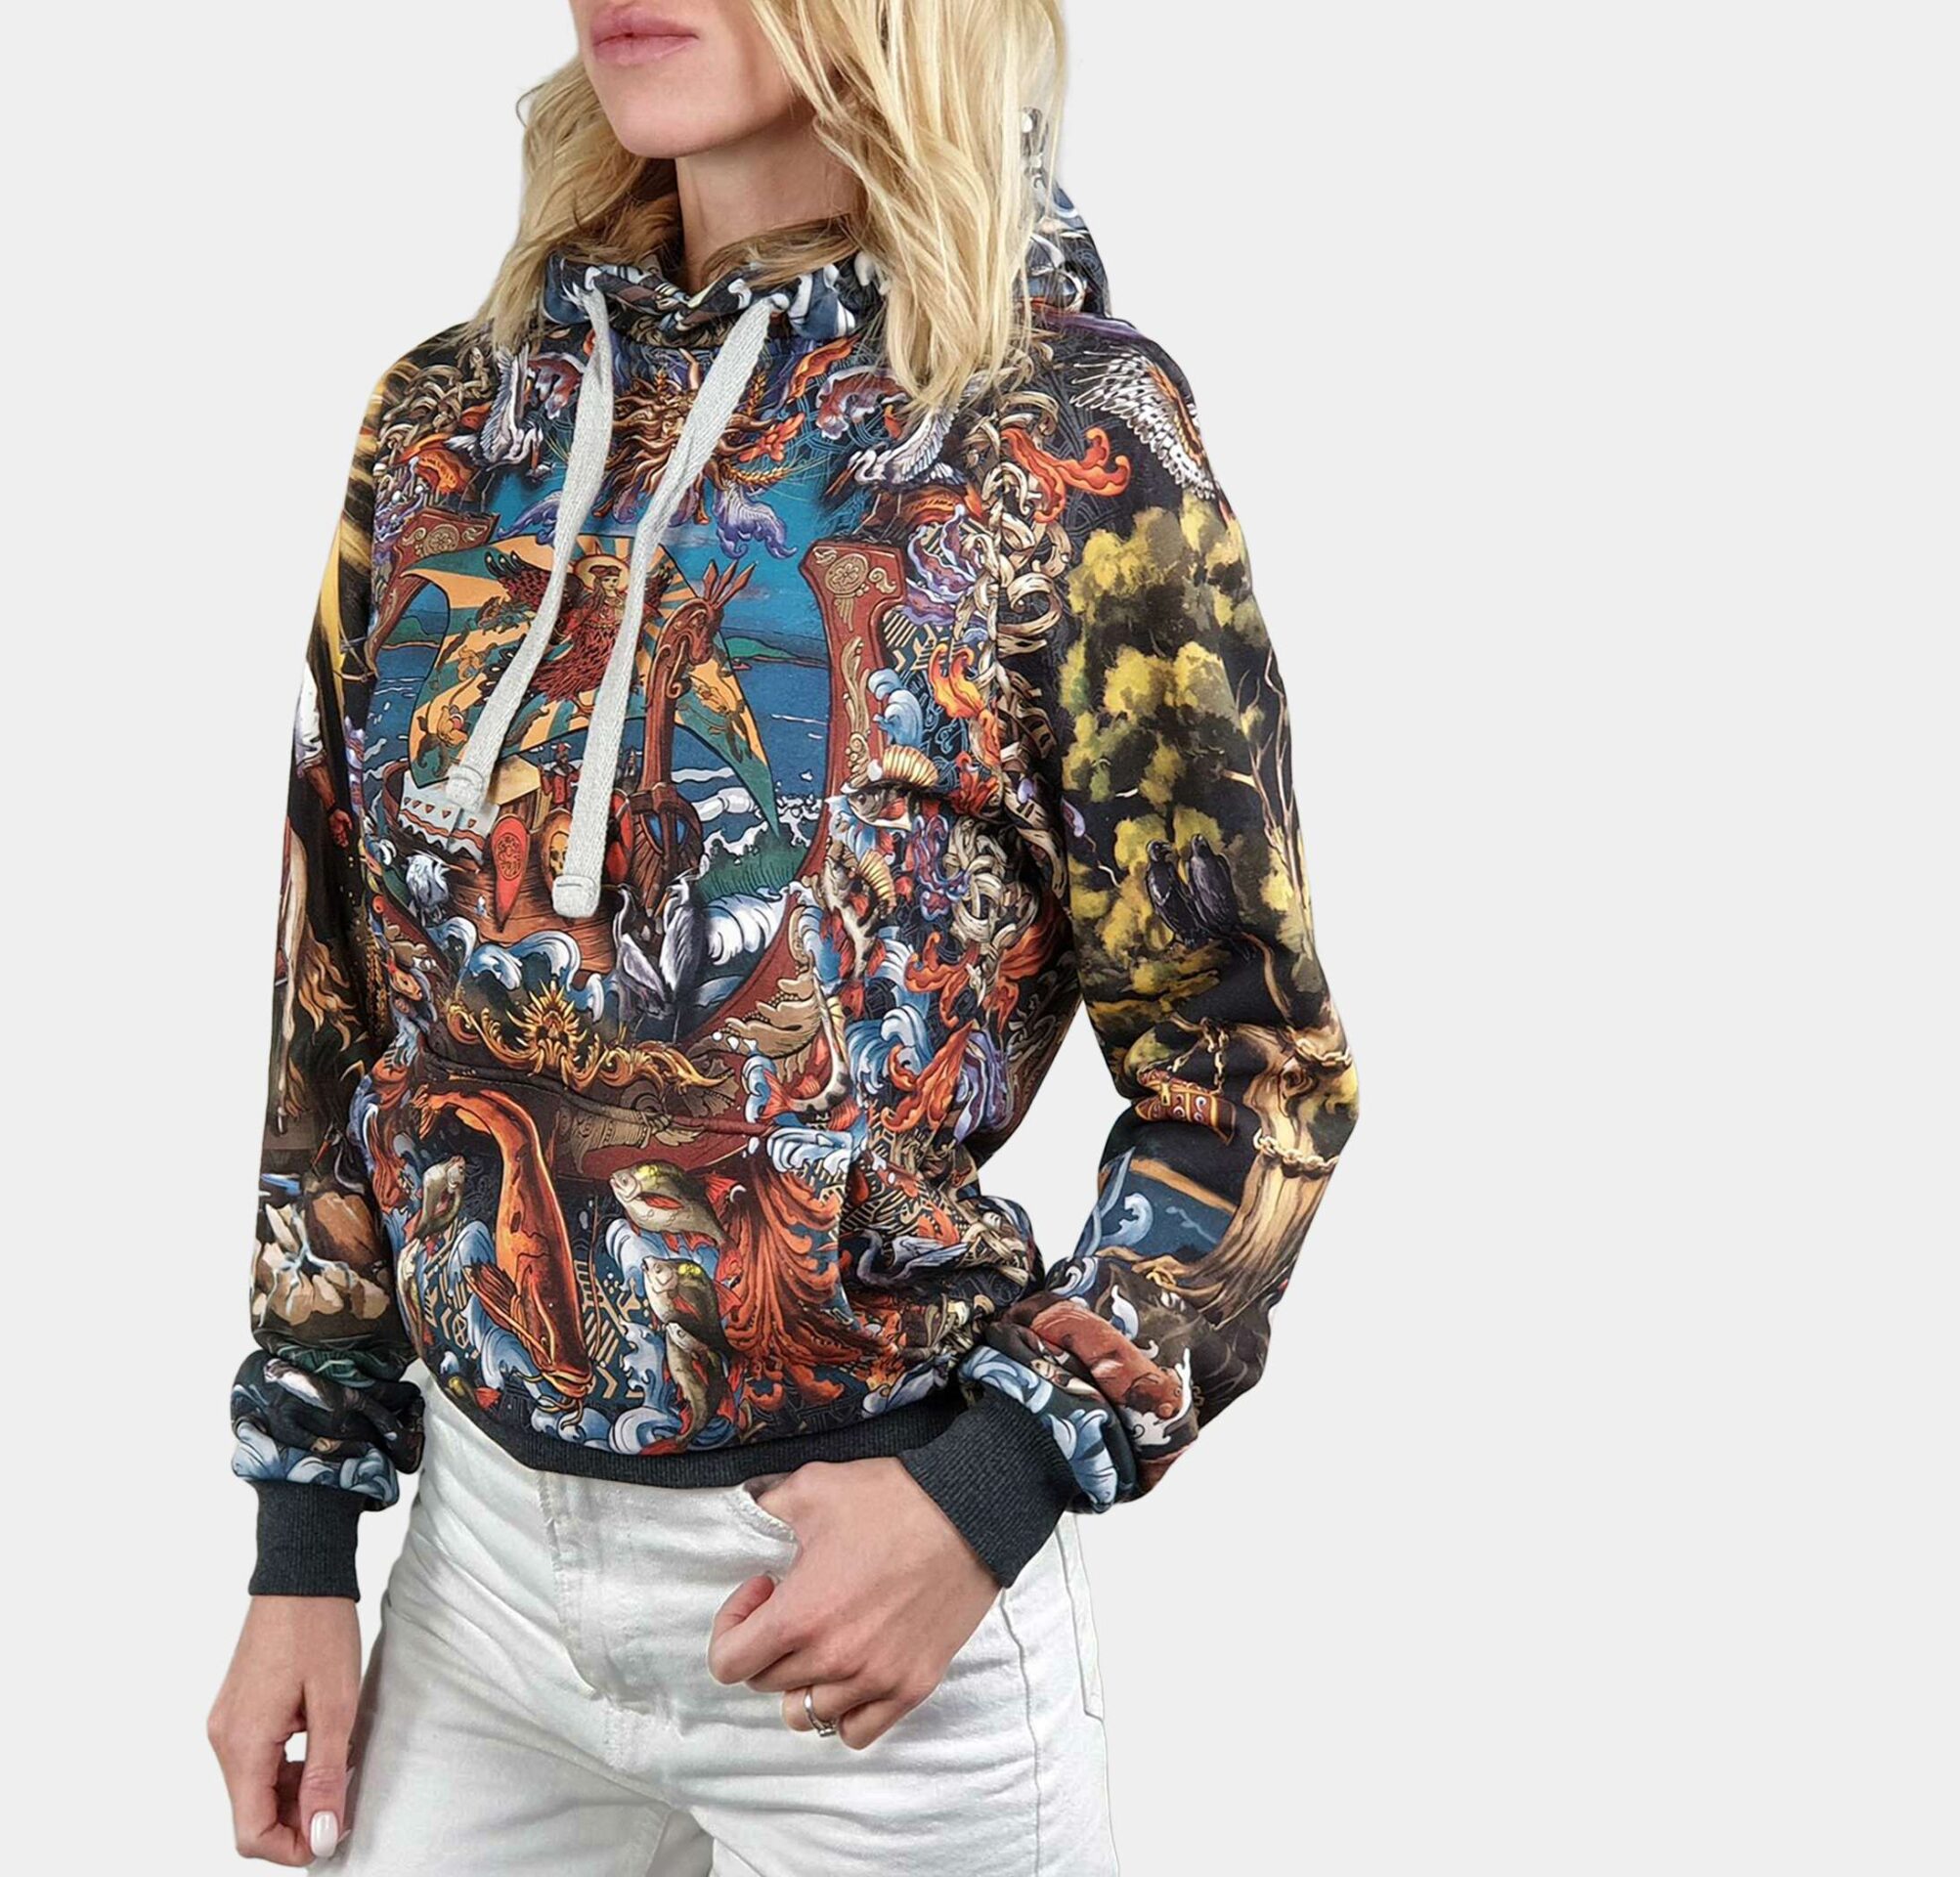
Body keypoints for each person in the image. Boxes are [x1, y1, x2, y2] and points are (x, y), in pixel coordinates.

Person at [208, 2, 1360, 1869]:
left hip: (871, 1638)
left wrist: (989, 1489)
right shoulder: (447, 429)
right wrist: (301, 1539)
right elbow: (334, 1009)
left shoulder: (1064, 446)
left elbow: (1252, 1080)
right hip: (477, 1595)